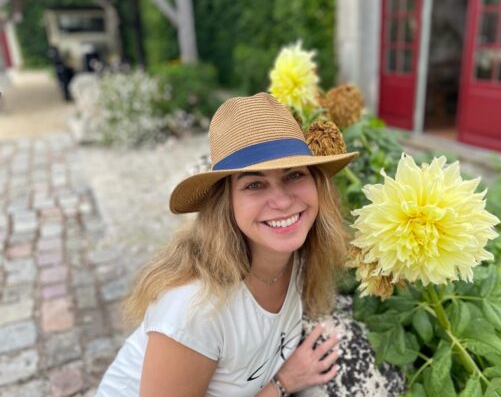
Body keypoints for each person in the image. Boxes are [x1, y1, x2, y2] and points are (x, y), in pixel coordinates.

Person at [97, 92, 358, 396]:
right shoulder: (193, 309)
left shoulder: (296, 255)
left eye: (294, 175)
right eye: (255, 184)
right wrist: (284, 382)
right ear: (226, 202)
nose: (283, 200)